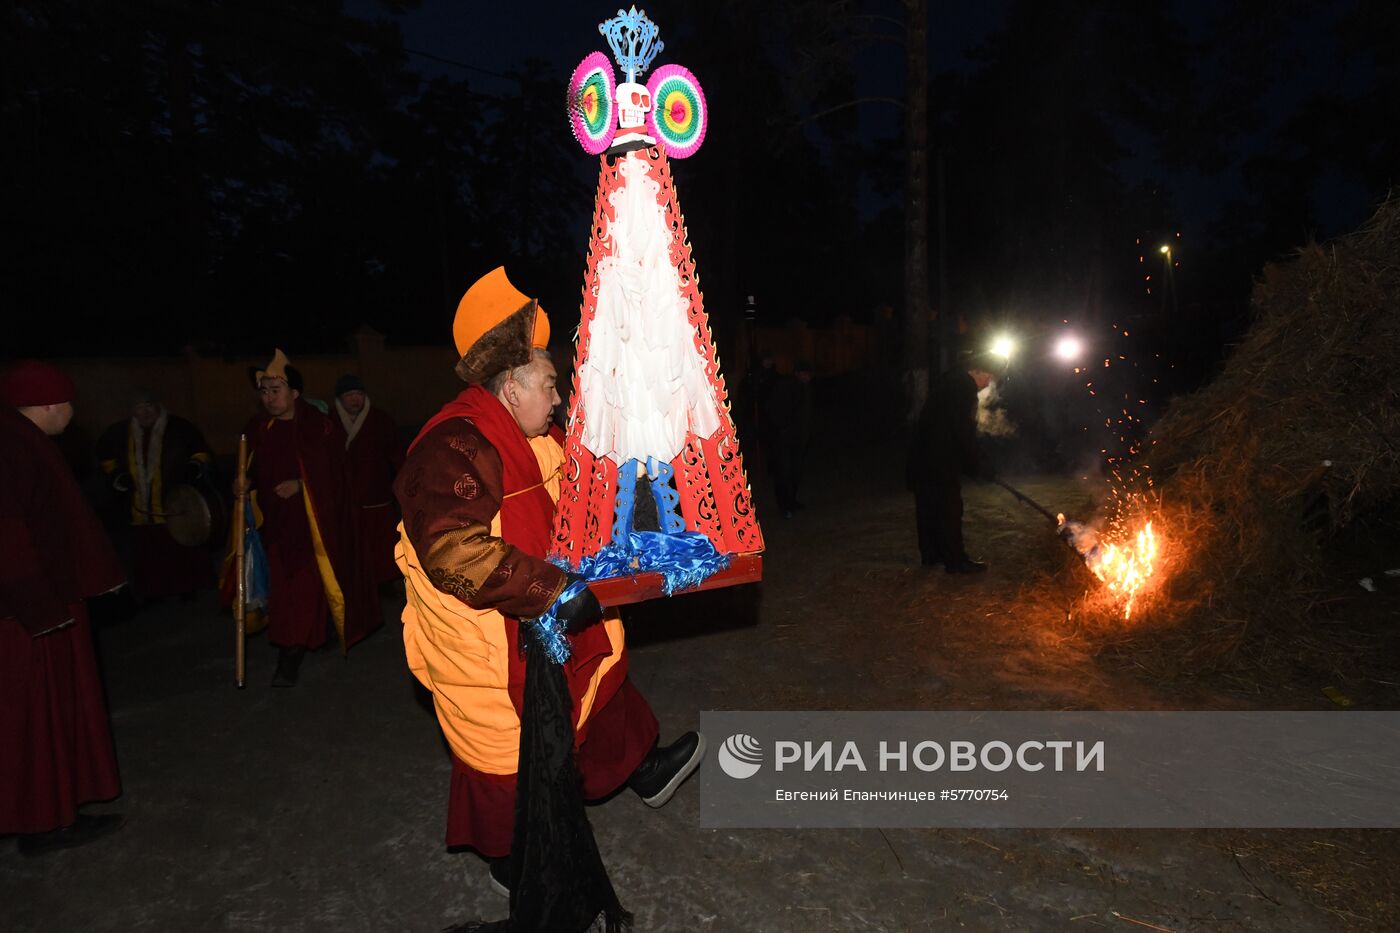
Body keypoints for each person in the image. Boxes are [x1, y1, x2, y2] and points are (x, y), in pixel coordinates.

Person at [396, 267, 702, 922]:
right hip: (488, 638)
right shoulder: (454, 444)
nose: (560, 396)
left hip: (543, 617)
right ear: (510, 387)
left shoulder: (532, 435)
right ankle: (513, 858)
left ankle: (641, 767)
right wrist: (553, 588)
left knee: (597, 686)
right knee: (507, 753)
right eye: (549, 383)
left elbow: (585, 495)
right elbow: (452, 548)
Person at [0, 360, 126, 854]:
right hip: (28, 614)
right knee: (36, 718)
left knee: (45, 716)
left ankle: (49, 814)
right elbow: (8, 537)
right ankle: (44, 823)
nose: (74, 413)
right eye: (70, 403)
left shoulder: (21, 439)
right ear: (51, 404)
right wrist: (39, 609)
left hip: (37, 606)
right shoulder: (12, 445)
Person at [229, 350, 381, 686]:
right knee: (286, 588)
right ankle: (314, 632)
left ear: (294, 393)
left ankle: (289, 653)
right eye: (265, 392)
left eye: (276, 391)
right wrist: (242, 482)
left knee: (299, 591)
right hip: (274, 525)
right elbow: (248, 467)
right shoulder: (257, 428)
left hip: (313, 527)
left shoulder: (318, 426)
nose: (269, 398)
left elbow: (335, 473)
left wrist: (302, 484)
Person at [96, 390, 215, 600]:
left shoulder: (180, 428)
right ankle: (153, 592)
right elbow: (107, 459)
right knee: (148, 552)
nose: (144, 412)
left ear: (158, 406)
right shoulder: (119, 433)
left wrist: (192, 468)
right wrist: (118, 476)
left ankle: (186, 588)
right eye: (139, 408)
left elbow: (201, 453)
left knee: (180, 549)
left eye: (148, 405)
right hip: (138, 507)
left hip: (174, 503)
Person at [907, 352, 998, 573]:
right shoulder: (964, 388)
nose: (989, 383)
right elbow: (961, 430)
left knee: (928, 505)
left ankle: (931, 554)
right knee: (949, 508)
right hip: (940, 458)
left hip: (923, 455)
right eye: (989, 377)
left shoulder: (950, 380)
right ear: (979, 371)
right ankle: (955, 561)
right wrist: (977, 463)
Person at [330, 374, 404, 587]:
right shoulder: (330, 422)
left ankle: (388, 580)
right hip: (346, 497)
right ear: (340, 399)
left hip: (377, 495)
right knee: (354, 546)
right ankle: (359, 582)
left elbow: (396, 454)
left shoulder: (380, 419)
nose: (355, 399)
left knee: (383, 543)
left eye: (359, 394)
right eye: (349, 395)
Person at [762, 359, 813, 517]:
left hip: (796, 437)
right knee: (784, 471)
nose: (807, 377)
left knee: (795, 471)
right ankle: (785, 505)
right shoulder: (787, 386)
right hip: (784, 438)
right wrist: (783, 428)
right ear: (798, 373)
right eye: (804, 373)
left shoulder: (803, 388)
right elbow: (775, 410)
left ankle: (791, 501)